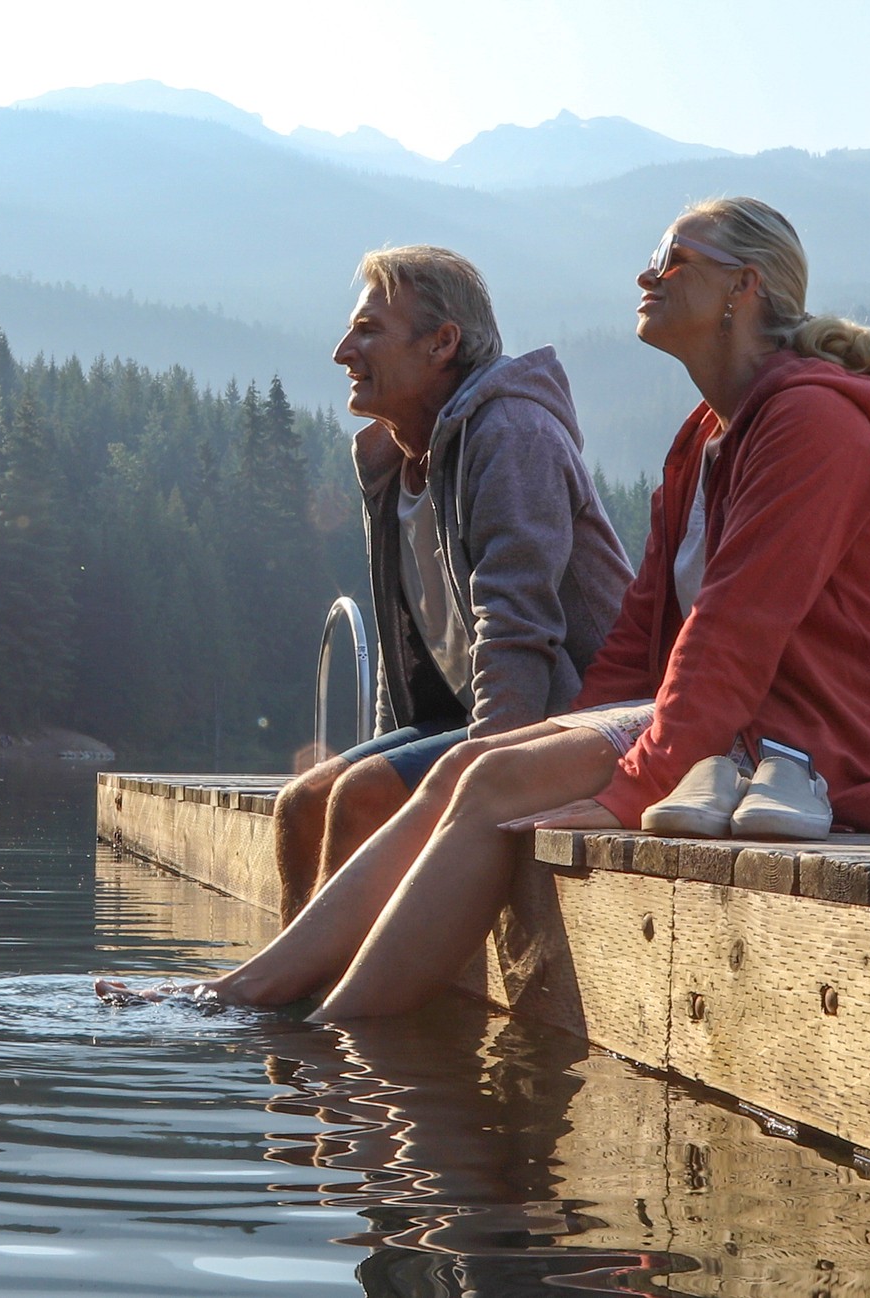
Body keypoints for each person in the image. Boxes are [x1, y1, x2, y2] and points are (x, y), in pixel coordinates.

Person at [102, 198, 870, 1020]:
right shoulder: (706, 438)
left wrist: (628, 786)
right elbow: (638, 634)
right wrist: (561, 740)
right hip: (738, 730)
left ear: (745, 289)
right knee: (476, 766)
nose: (645, 274)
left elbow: (733, 633)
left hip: (839, 747)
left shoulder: (811, 425)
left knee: (492, 774)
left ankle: (327, 1037)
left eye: (672, 259)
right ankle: (264, 994)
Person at [269, 245, 632, 927]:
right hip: (470, 718)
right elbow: (408, 647)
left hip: (576, 722)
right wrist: (399, 751)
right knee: (302, 805)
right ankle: (282, 1003)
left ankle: (312, 1003)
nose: (343, 351)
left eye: (369, 329)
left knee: (363, 796)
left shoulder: (512, 434)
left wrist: (484, 784)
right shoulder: (393, 458)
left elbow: (517, 628)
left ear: (442, 343)